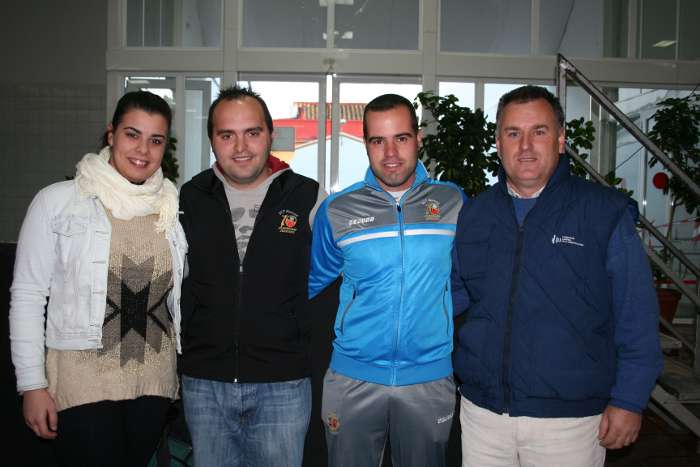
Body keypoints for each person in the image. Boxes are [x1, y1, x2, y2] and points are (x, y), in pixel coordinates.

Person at [451, 85, 663, 467]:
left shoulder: (602, 213)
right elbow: (453, 296)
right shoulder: (475, 214)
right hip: (483, 416)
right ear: (498, 143)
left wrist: (630, 399)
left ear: (561, 140)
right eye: (513, 133)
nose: (525, 146)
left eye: (539, 131)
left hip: (570, 424)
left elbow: (637, 315)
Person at [9, 90, 187, 467]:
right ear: (111, 134)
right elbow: (27, 296)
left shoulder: (170, 209)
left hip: (154, 386)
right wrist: (32, 384)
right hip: (83, 386)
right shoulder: (58, 201)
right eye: (132, 134)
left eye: (155, 140)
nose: (143, 150)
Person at [309, 93, 465, 467]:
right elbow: (311, 286)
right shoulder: (337, 210)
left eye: (401, 138)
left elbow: (467, 281)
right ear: (366, 144)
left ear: (418, 139)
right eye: (378, 140)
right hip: (352, 378)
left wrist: (435, 322)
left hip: (429, 378)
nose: (390, 153)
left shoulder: (453, 202)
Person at [178, 85, 326, 467]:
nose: (241, 147)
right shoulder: (188, 198)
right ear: (212, 140)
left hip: (284, 385)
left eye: (252, 133)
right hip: (205, 384)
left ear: (270, 135)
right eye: (227, 135)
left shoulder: (308, 197)